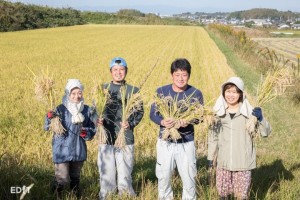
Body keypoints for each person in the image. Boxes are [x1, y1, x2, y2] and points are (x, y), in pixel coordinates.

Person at [207, 77, 271, 200]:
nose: (231, 95)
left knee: (241, 196)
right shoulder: (218, 113)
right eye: (228, 91)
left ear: (241, 94)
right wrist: (210, 157)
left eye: (235, 92)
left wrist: (261, 119)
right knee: (223, 196)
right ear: (223, 92)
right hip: (223, 164)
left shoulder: (249, 113)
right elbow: (213, 137)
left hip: (243, 164)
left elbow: (266, 133)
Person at [150, 58, 204, 200]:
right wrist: (162, 121)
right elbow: (152, 114)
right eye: (177, 74)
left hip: (186, 142)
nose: (181, 78)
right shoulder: (161, 91)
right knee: (163, 176)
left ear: (189, 76)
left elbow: (200, 117)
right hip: (165, 142)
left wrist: (188, 121)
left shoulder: (196, 93)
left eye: (184, 75)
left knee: (189, 177)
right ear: (171, 75)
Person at [97, 57, 144, 199]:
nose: (118, 73)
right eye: (115, 70)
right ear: (111, 72)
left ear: (126, 71)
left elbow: (139, 112)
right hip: (106, 137)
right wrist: (96, 120)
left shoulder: (134, 90)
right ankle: (107, 196)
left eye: (121, 70)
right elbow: (94, 110)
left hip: (125, 137)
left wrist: (130, 123)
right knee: (106, 172)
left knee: (125, 171)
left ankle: (126, 196)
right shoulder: (102, 89)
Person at [44, 79, 96, 197]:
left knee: (75, 176)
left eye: (79, 93)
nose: (77, 96)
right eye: (73, 93)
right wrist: (48, 117)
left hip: (78, 149)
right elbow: (47, 127)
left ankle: (75, 195)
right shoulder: (60, 109)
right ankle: (56, 196)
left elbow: (92, 129)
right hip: (62, 149)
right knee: (61, 177)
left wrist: (86, 132)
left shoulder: (87, 110)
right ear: (68, 93)